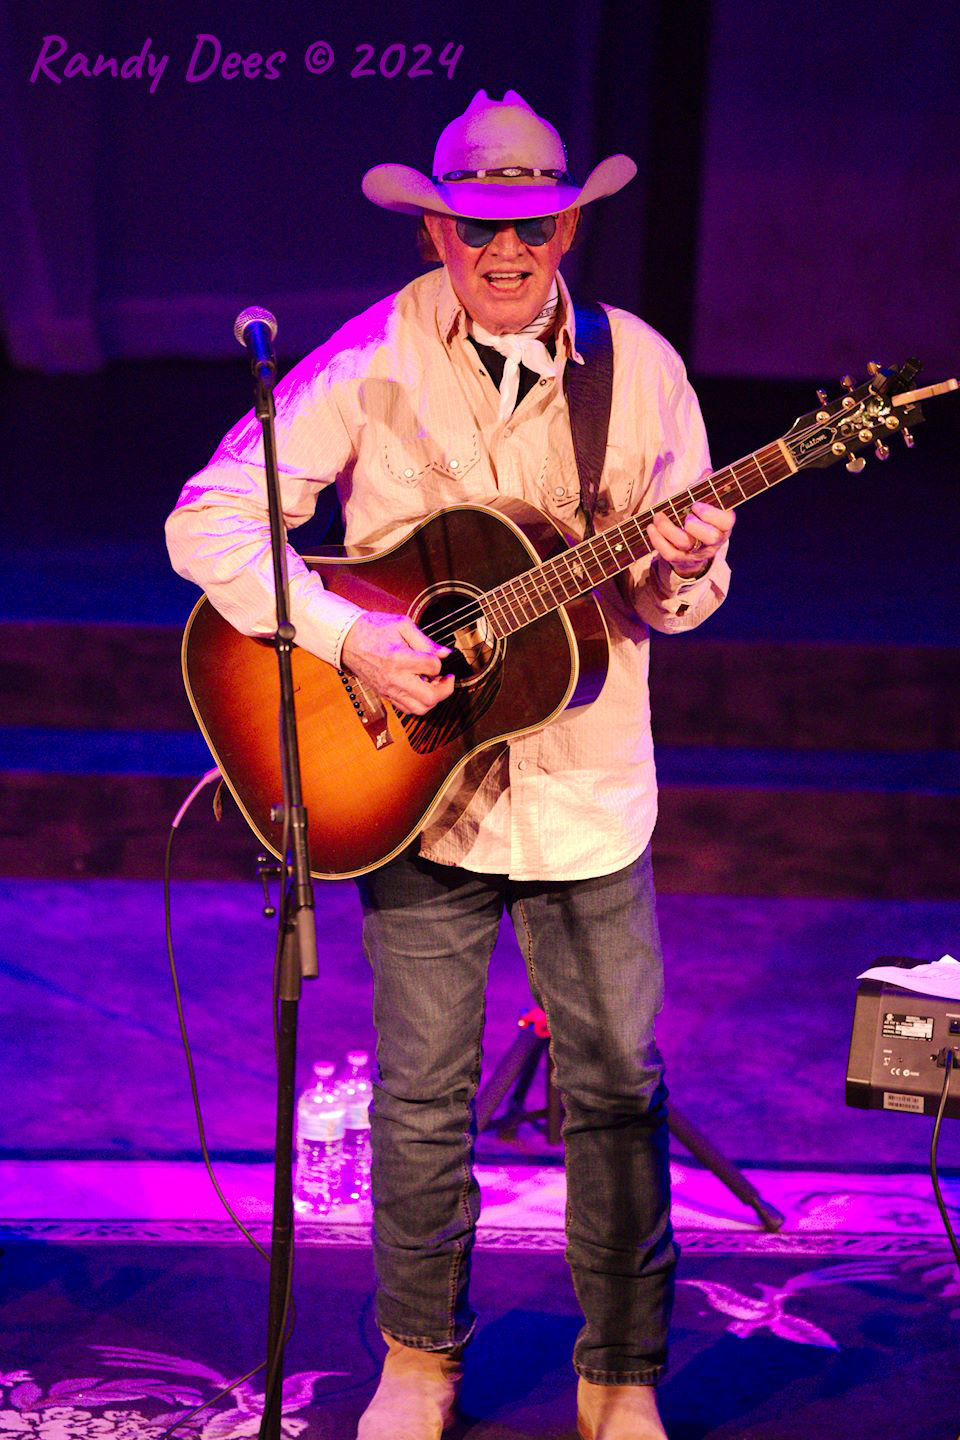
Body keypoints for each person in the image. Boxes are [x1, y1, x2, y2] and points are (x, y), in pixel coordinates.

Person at [166, 89, 734, 1440]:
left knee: (616, 1082)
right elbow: (208, 522)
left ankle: (621, 1372)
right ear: (433, 227)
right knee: (419, 1096)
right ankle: (419, 1358)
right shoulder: (369, 359)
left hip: (588, 787)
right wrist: (353, 637)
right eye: (476, 228)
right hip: (411, 784)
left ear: (568, 226)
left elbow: (675, 600)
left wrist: (694, 566)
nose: (504, 254)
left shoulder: (641, 368)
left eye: (531, 227)